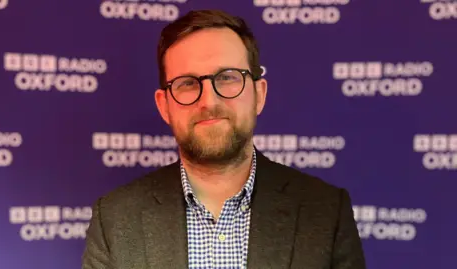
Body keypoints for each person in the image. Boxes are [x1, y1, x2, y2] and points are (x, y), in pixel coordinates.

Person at [81, 9, 366, 269]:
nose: (209, 101)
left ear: (259, 94)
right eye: (187, 83)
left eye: (228, 77)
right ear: (164, 105)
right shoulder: (115, 219)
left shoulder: (325, 212)